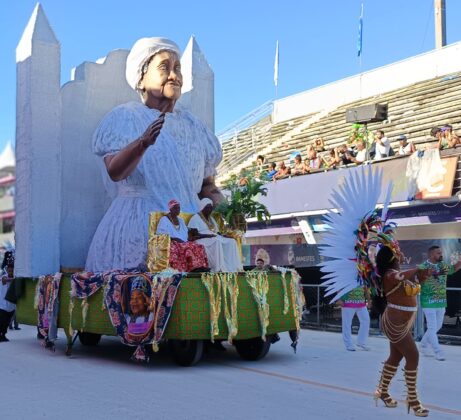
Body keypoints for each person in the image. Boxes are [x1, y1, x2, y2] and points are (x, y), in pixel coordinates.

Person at [85, 37, 223, 272]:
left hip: (189, 230)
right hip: (137, 227)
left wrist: (225, 209)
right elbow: (114, 172)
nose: (174, 75)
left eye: (177, 68)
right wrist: (142, 143)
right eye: (164, 67)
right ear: (141, 78)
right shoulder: (125, 117)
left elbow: (207, 185)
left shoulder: (194, 126)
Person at [374, 246, 430, 417]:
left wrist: (422, 276)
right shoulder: (389, 274)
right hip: (394, 323)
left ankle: (382, 392)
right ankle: (413, 400)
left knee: (395, 357)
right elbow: (400, 277)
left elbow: (414, 284)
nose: (401, 255)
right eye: (398, 254)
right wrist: (417, 269)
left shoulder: (396, 273)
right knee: (413, 355)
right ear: (392, 258)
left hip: (401, 322)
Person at [418, 245, 461, 361]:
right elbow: (419, 279)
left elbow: (453, 269)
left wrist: (460, 262)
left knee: (437, 326)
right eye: (438, 253)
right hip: (428, 301)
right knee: (432, 327)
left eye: (441, 252)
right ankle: (438, 351)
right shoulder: (423, 266)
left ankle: (422, 345)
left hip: (441, 302)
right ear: (431, 255)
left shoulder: (443, 265)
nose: (441, 255)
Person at [188, 198, 242, 272]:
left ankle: (232, 268)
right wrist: (208, 236)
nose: (210, 209)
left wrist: (224, 235)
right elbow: (195, 234)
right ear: (202, 207)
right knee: (217, 242)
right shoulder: (195, 218)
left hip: (213, 237)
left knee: (232, 242)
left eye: (211, 207)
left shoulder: (211, 219)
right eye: (208, 207)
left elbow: (217, 232)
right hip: (201, 239)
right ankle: (218, 268)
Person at [156, 199, 209, 272]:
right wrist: (175, 239)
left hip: (182, 242)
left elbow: (185, 232)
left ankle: (201, 266)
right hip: (171, 242)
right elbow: (160, 234)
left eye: (179, 208)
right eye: (175, 208)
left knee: (199, 246)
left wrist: (190, 238)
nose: (178, 210)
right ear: (170, 209)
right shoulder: (164, 219)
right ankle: (193, 268)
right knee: (187, 248)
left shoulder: (180, 220)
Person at [337, 285, 371, 351]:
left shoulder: (362, 276)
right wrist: (339, 299)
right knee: (347, 323)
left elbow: (366, 288)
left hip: (361, 302)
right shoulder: (346, 275)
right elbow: (339, 284)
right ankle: (348, 344)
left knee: (366, 320)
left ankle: (361, 342)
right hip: (348, 302)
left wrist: (368, 300)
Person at [0, 263, 15, 342]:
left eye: (12, 269)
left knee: (6, 323)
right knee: (1, 322)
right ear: (7, 269)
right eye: (9, 269)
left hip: (11, 306)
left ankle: (3, 335)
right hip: (2, 306)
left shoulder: (15, 278)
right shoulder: (3, 276)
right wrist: (15, 279)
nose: (10, 271)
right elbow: (5, 280)